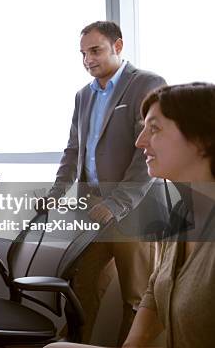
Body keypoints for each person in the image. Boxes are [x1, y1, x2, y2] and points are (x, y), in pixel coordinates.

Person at [45, 82, 215, 348]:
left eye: (154, 128)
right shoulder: (184, 212)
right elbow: (157, 289)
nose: (139, 141)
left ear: (203, 138)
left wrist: (116, 204)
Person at [44, 21, 166, 344]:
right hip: (95, 209)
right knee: (80, 286)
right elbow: (73, 151)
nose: (88, 60)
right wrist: (56, 192)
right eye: (83, 54)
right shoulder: (83, 96)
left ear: (118, 46)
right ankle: (74, 345)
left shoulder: (148, 84)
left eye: (95, 51)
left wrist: (117, 203)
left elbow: (148, 154)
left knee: (137, 299)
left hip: (135, 210)